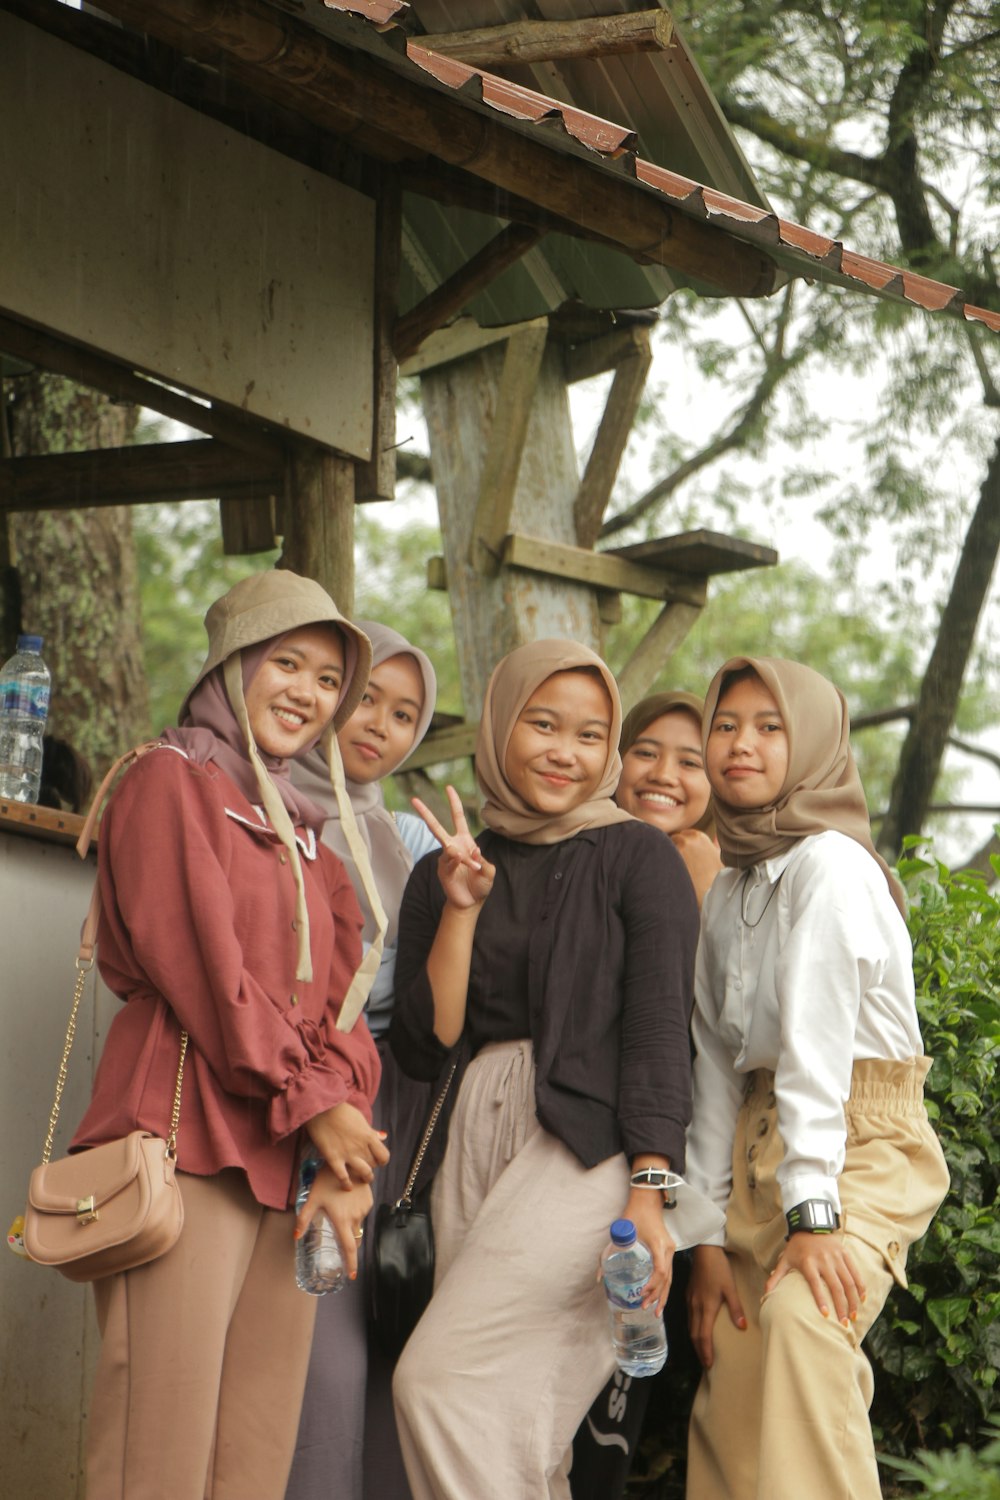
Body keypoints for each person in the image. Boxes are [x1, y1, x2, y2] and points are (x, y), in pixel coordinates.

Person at [70, 569, 389, 1500]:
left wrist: (340, 1147)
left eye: (330, 681)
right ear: (231, 663)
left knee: (252, 1453)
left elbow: (347, 1009)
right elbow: (208, 978)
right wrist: (316, 1104)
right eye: (285, 662)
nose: (308, 694)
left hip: (285, 1155)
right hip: (186, 1135)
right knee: (157, 1453)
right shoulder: (167, 779)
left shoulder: (313, 833)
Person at [389, 638, 700, 1500]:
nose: (567, 751)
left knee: (439, 1384)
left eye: (592, 734)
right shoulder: (443, 868)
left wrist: (650, 1191)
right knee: (515, 1423)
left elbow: (655, 1032)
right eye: (544, 724)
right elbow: (423, 1044)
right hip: (473, 1136)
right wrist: (459, 909)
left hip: (590, 1149)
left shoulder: (639, 856)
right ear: (500, 726)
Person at [683, 657, 950, 1500]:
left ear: (814, 744)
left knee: (806, 1323)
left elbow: (817, 1050)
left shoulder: (831, 865)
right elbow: (716, 1070)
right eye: (726, 725)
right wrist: (707, 1239)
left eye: (770, 727)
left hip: (857, 1135)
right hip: (763, 1143)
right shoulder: (731, 883)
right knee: (735, 1369)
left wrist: (813, 1213)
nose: (741, 744)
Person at [287, 620, 438, 1500]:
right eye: (367, 696)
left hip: (378, 1111)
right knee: (301, 1354)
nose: (378, 723)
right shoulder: (255, 800)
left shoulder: (407, 843)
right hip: (286, 1094)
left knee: (369, 1339)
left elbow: (426, 1014)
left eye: (404, 713)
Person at [572, 689, 721, 1500]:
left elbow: (710, 1048)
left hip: (666, 1190)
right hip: (573, 1163)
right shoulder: (577, 856)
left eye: (691, 761)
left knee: (608, 1422)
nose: (664, 774)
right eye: (646, 752)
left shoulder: (719, 872)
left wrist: (710, 1242)